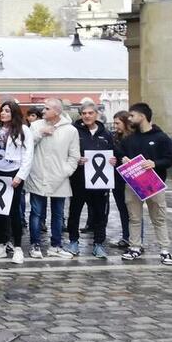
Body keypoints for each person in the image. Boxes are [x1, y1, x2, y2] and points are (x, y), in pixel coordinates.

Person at [118, 102, 172, 265]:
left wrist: (154, 163)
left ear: (142, 117)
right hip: (133, 184)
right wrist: (123, 160)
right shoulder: (129, 139)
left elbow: (170, 159)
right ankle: (135, 247)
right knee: (134, 218)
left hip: (154, 185)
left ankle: (165, 250)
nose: (130, 118)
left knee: (159, 218)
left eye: (132, 115)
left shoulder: (161, 137)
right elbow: (120, 155)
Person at [26, 98, 80, 259]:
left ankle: (56, 245)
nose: (43, 111)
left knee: (58, 213)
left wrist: (66, 171)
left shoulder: (70, 130)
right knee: (35, 213)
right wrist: (40, 133)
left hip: (60, 178)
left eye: (47, 108)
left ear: (56, 111)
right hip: (38, 175)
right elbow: (27, 147)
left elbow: (74, 155)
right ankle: (35, 244)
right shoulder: (35, 126)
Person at [0, 100, 33, 264]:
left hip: (13, 174)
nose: (3, 113)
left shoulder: (23, 130)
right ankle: (1, 245)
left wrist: (20, 176)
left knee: (14, 212)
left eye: (7, 111)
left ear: (14, 113)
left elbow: (27, 155)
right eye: (2, 110)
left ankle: (18, 247)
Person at [67, 101, 116, 259]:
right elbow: (66, 152)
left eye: (90, 113)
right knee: (75, 212)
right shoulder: (74, 131)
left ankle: (98, 244)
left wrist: (114, 160)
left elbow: (114, 152)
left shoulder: (106, 133)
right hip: (79, 180)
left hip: (100, 183)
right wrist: (76, 159)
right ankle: (73, 241)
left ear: (97, 114)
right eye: (84, 113)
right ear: (81, 115)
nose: (87, 116)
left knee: (100, 214)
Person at [110, 110, 135, 249]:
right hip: (117, 178)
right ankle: (126, 236)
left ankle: (135, 238)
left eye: (118, 123)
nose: (115, 126)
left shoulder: (133, 138)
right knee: (122, 209)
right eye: (114, 123)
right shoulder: (114, 137)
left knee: (133, 211)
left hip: (130, 178)